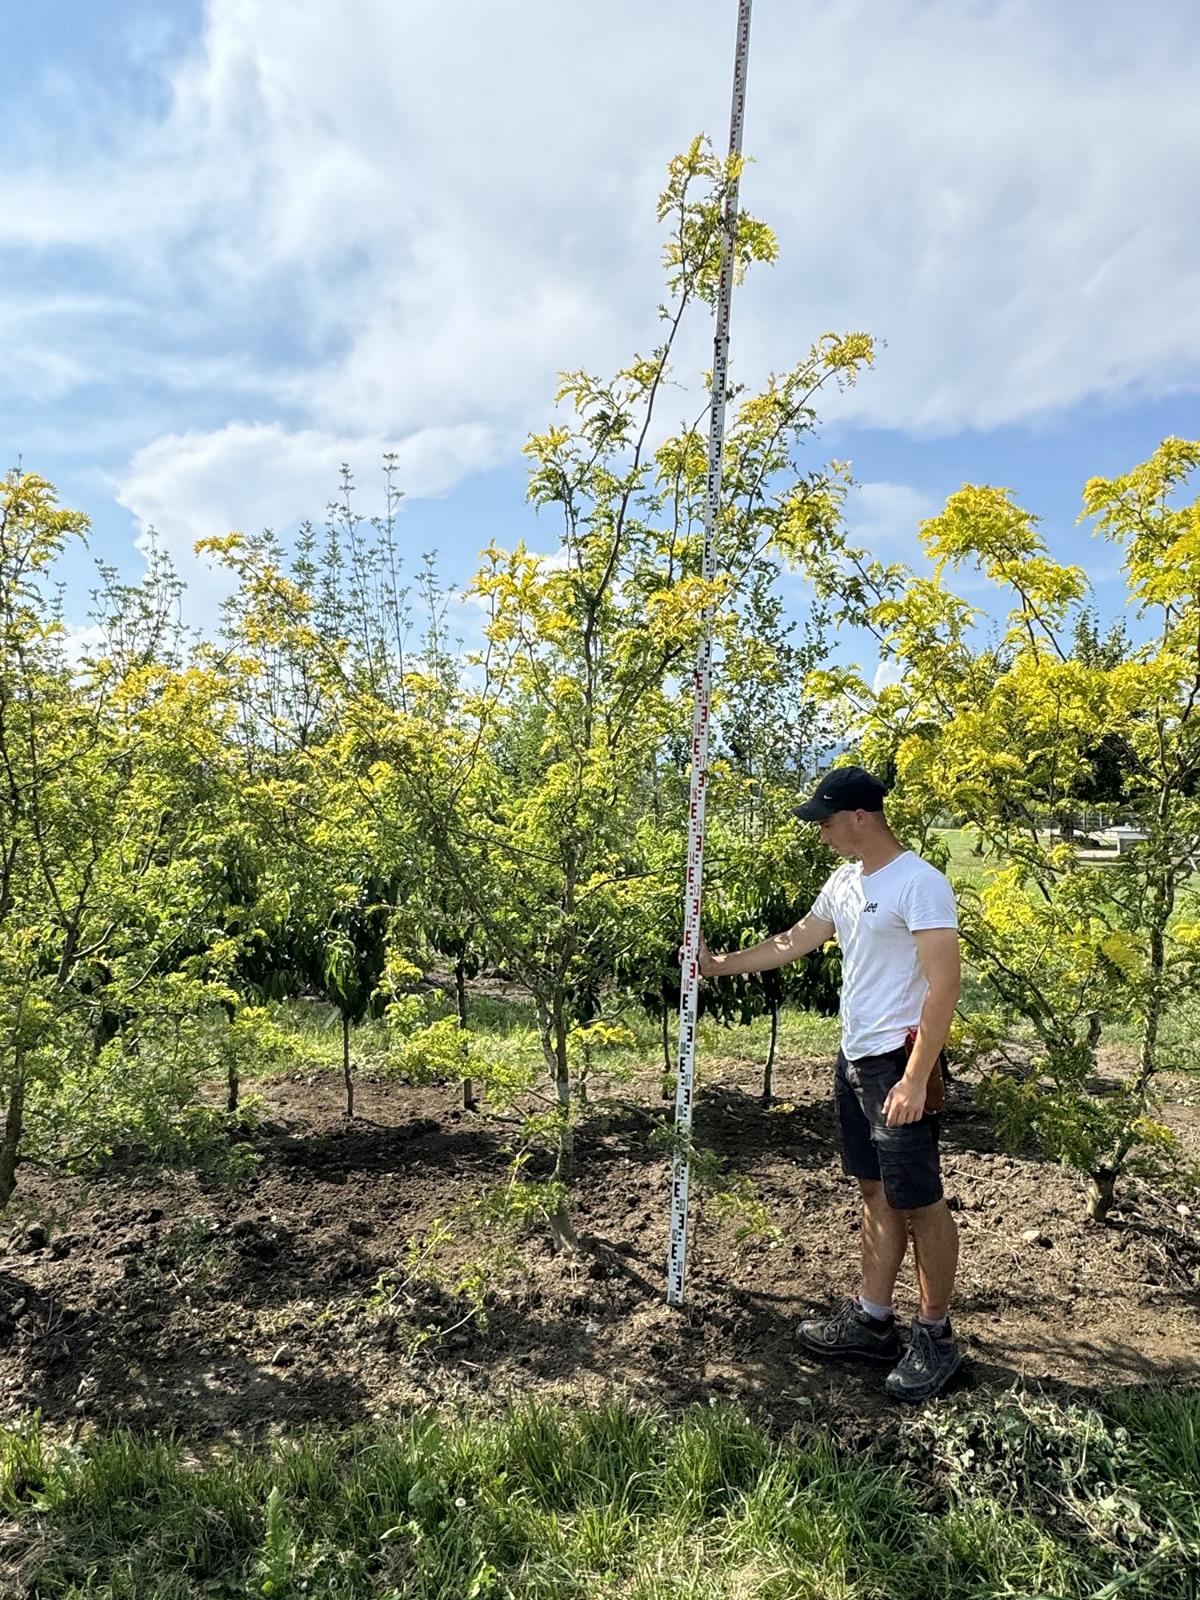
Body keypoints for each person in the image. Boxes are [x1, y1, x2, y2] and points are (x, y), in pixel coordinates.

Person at [698, 765, 963, 1402]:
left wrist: (916, 1077)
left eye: (825, 820)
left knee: (919, 1199)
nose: (820, 831)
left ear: (860, 818)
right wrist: (719, 966)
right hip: (854, 1061)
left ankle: (936, 1337)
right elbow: (797, 941)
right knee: (875, 1191)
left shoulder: (919, 884)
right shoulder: (845, 881)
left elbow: (944, 984)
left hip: (899, 1064)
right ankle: (873, 1320)